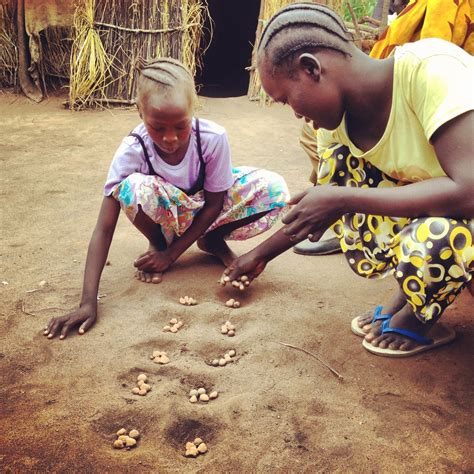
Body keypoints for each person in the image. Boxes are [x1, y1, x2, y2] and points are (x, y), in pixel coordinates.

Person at [222, 3, 474, 357]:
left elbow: (469, 192)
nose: (295, 113)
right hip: (454, 208)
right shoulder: (336, 125)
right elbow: (323, 205)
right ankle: (410, 293)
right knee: (340, 174)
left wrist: (342, 199)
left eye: (288, 100)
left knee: (435, 233)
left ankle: (419, 319)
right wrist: (259, 255)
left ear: (310, 68)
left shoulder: (431, 70)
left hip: (468, 205)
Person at [44, 57, 290, 340]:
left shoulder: (212, 138)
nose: (170, 138)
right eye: (158, 128)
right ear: (140, 112)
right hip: (167, 211)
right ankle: (158, 242)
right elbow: (104, 227)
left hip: (208, 209)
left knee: (274, 188)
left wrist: (172, 257)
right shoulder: (133, 150)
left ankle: (210, 240)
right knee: (133, 187)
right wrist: (88, 302)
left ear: (193, 111)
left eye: (180, 126)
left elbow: (214, 204)